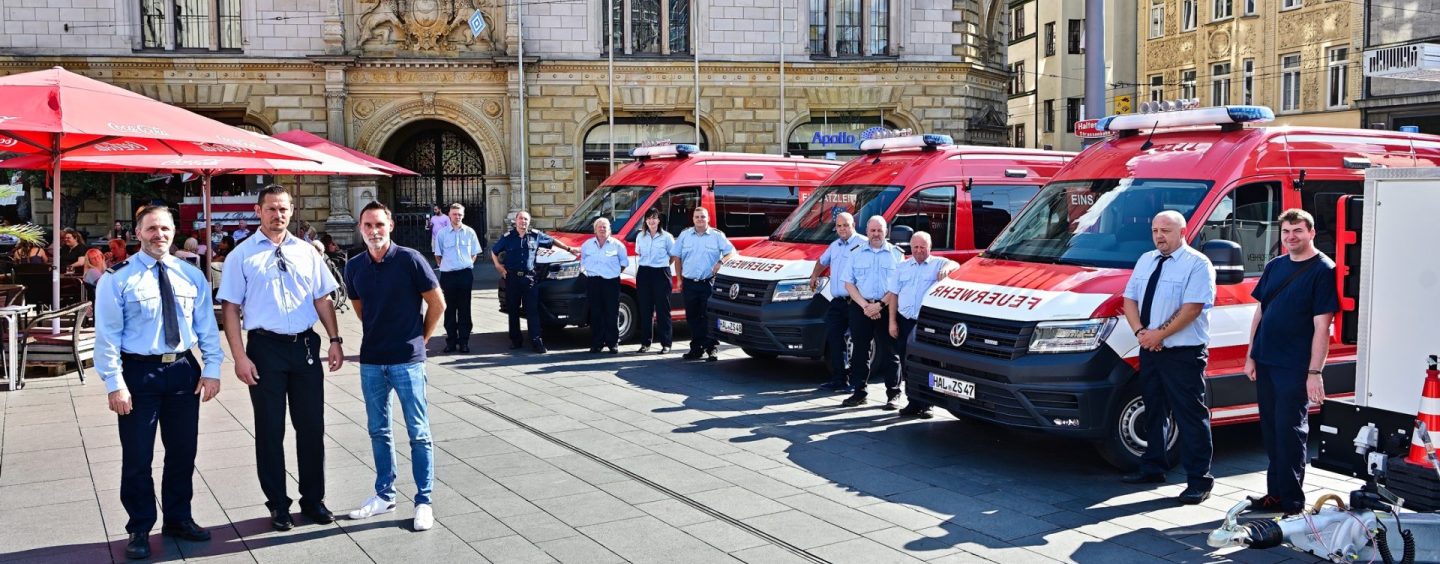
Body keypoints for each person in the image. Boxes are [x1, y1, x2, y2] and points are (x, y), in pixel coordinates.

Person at [94, 205, 224, 560]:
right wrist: (114, 383)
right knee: (137, 456)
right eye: (152, 229)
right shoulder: (116, 278)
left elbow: (206, 328)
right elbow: (107, 336)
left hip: (183, 371)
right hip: (139, 374)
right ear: (138, 233)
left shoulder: (190, 275)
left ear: (173, 232)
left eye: (165, 228)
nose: (159, 235)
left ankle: (179, 518)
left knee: (183, 452)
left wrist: (212, 368)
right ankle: (139, 526)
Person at [218, 184, 345, 532]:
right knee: (270, 430)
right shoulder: (240, 256)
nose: (278, 215)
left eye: (284, 209)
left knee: (311, 427)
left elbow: (323, 298)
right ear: (258, 211)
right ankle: (278, 504)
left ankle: (313, 499)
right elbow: (230, 308)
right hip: (264, 348)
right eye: (271, 209)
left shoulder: (307, 252)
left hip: (304, 347)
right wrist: (239, 357)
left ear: (292, 211)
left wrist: (334, 339)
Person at [343, 201, 446, 532]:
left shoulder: (410, 260)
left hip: (407, 360)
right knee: (378, 430)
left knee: (419, 432)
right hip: (372, 360)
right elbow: (361, 309)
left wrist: (420, 338)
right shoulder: (354, 265)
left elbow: (437, 303)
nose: (374, 231)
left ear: (391, 226)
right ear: (361, 229)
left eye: (379, 225)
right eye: (368, 225)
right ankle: (384, 495)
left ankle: (424, 501)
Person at [1244, 209, 1340, 516]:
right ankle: (1275, 495)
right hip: (1266, 360)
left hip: (1294, 366)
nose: (1290, 237)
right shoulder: (1275, 266)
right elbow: (1261, 312)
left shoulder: (1323, 269)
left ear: (1311, 233)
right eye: (1286, 232)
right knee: (1271, 432)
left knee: (1290, 432)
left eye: (1297, 231)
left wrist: (1315, 372)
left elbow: (1322, 326)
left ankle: (1292, 501)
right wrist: (1251, 354)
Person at [1119, 210, 1217, 505]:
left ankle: (1199, 480)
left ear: (1183, 232)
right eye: (1155, 230)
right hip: (1149, 348)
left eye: (1166, 230)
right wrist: (1141, 334)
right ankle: (1153, 467)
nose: (1159, 236)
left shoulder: (1197, 264)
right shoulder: (1145, 260)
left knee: (1190, 415)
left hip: (1183, 354)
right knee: (1153, 410)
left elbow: (1192, 309)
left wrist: (1158, 334)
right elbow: (1129, 300)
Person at [886, 232, 957, 415]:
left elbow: (956, 265)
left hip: (925, 325)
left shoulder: (937, 264)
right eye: (915, 247)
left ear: (930, 247)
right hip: (904, 321)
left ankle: (928, 404)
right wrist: (892, 322)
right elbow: (893, 295)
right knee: (907, 363)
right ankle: (914, 401)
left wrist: (948, 267)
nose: (918, 251)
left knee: (927, 364)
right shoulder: (902, 266)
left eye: (922, 247)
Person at [839, 216, 905, 408]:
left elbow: (897, 286)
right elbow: (848, 283)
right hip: (861, 308)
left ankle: (894, 394)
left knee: (891, 351)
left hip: (887, 307)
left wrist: (879, 306)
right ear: (866, 232)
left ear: (886, 232)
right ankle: (859, 392)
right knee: (859, 351)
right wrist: (865, 306)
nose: (876, 234)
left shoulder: (896, 254)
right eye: (872, 230)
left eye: (880, 230)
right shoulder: (856, 252)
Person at [490, 210, 577, 353]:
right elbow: (494, 251)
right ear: (516, 221)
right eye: (521, 219)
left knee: (532, 311)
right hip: (512, 279)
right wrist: (498, 266)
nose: (523, 221)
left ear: (529, 222)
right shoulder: (508, 237)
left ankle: (536, 341)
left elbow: (552, 240)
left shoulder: (535, 236)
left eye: (525, 219)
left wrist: (569, 248)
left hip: (529, 279)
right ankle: (515, 340)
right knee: (513, 311)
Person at [671, 207, 736, 362]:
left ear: (708, 219)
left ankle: (711, 348)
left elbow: (731, 252)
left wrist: (721, 262)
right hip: (689, 283)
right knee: (692, 317)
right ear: (692, 219)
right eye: (697, 217)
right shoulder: (685, 235)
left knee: (708, 316)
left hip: (708, 283)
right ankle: (696, 348)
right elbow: (677, 257)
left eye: (703, 217)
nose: (700, 219)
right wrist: (679, 279)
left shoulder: (716, 236)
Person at [811, 212, 864, 392]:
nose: (842, 229)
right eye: (839, 226)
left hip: (856, 302)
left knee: (858, 342)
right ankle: (839, 378)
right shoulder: (834, 245)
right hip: (837, 302)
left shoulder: (863, 244)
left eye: (846, 225)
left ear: (853, 225)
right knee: (834, 340)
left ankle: (856, 382)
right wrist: (814, 275)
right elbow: (821, 261)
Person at [434, 203, 483, 354]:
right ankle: (450, 341)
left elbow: (474, 253)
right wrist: (447, 265)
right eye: (455, 214)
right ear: (449, 214)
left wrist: (466, 264)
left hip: (465, 274)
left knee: (464, 309)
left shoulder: (470, 232)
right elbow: (438, 254)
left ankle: (464, 342)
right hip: (448, 275)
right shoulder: (442, 234)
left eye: (460, 214)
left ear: (463, 215)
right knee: (449, 309)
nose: (457, 217)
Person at [580, 217, 628, 354]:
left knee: (612, 313)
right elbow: (582, 261)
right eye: (599, 226)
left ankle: (613, 343)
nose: (602, 229)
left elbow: (624, 263)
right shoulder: (587, 245)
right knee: (596, 313)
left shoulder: (617, 245)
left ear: (609, 229)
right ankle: (597, 343)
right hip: (593, 281)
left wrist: (613, 273)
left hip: (611, 282)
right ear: (595, 229)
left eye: (605, 226)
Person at [634, 208, 675, 354]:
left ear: (659, 220)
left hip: (661, 272)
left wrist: (662, 265)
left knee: (663, 309)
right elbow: (639, 253)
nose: (651, 221)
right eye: (649, 218)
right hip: (644, 272)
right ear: (645, 220)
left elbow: (673, 256)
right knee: (645, 310)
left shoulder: (667, 237)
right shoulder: (640, 236)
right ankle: (645, 343)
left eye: (654, 218)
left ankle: (666, 343)